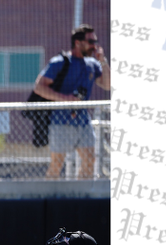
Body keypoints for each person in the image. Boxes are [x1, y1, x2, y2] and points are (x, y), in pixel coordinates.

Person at [33, 24, 110, 179]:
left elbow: (107, 85)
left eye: (95, 41)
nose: (94, 45)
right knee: (57, 164)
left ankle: (80, 196)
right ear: (77, 42)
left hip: (83, 121)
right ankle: (47, 198)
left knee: (90, 159)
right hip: (60, 121)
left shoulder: (93, 65)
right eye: (90, 41)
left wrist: (103, 60)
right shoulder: (59, 62)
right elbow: (38, 87)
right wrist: (66, 99)